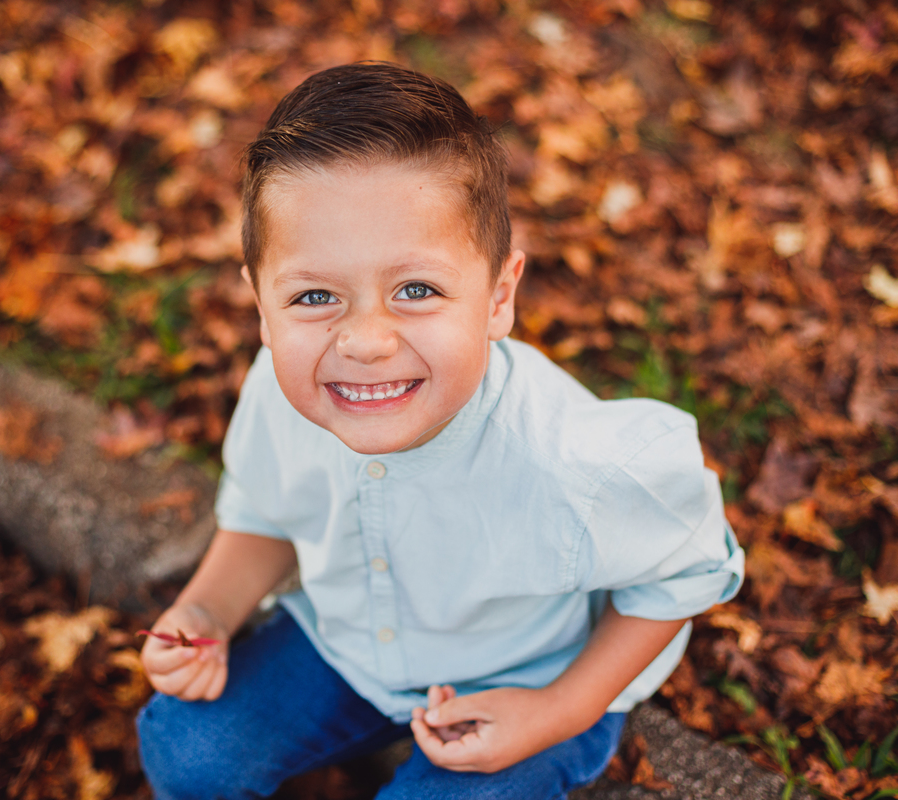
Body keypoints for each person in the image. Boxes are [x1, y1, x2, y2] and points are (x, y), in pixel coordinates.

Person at [136, 61, 744, 800]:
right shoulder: (280, 390)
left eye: (416, 289)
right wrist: (207, 610)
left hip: (525, 681)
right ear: (262, 307)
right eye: (315, 296)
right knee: (184, 749)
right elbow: (267, 512)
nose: (365, 341)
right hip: (348, 647)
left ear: (498, 296)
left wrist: (562, 708)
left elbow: (689, 565)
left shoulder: (564, 461)